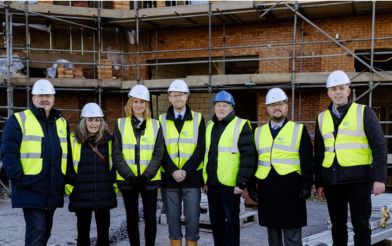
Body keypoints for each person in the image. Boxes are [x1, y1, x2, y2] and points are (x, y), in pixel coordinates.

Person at [314, 70, 388, 246]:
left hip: (358, 180)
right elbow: (319, 152)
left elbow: (379, 146)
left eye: (341, 88)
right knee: (337, 226)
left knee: (361, 226)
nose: (338, 92)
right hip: (332, 181)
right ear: (328, 93)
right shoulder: (322, 118)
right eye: (334, 89)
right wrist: (319, 182)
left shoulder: (364, 112)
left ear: (348, 90)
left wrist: (379, 178)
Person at [0, 79, 69, 246]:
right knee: (37, 229)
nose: (44, 99)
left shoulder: (61, 122)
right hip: (30, 186)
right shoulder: (19, 120)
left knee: (45, 230)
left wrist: (65, 180)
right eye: (40, 95)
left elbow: (68, 153)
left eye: (48, 95)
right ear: (33, 98)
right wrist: (19, 178)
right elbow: (8, 153)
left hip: (52, 187)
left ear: (53, 98)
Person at [254, 88, 313, 246]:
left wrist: (307, 185)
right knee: (273, 235)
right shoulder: (258, 132)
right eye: (272, 105)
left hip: (292, 189)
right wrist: (251, 185)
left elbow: (307, 160)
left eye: (280, 104)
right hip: (267, 189)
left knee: (292, 234)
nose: (276, 108)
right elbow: (255, 160)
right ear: (267, 109)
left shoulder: (298, 130)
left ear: (287, 107)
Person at [203, 90, 257, 246]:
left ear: (232, 107)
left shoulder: (241, 125)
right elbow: (207, 154)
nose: (221, 108)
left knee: (232, 223)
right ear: (214, 107)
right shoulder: (210, 125)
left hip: (231, 185)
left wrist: (241, 182)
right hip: (212, 184)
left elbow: (248, 156)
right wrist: (205, 180)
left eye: (225, 105)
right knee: (216, 222)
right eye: (218, 105)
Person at [113, 84, 164, 246]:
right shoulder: (120, 124)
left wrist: (145, 175)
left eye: (142, 102)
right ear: (130, 104)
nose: (138, 105)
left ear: (146, 105)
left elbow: (158, 153)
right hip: (128, 180)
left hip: (149, 180)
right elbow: (117, 153)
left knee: (150, 217)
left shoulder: (155, 125)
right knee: (132, 217)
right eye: (135, 102)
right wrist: (130, 176)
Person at [159, 79, 205, 246]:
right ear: (169, 98)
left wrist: (185, 170)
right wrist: (173, 170)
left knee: (193, 219)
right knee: (172, 219)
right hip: (169, 179)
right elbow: (160, 150)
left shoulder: (198, 119)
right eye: (174, 95)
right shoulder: (161, 120)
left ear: (187, 97)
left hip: (191, 178)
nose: (178, 98)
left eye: (181, 95)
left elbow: (200, 148)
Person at [66, 102, 117, 246]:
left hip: (103, 194)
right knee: (82, 236)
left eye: (97, 120)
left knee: (103, 237)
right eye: (90, 120)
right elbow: (69, 165)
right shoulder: (74, 140)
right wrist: (72, 186)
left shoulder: (109, 141)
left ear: (101, 122)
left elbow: (114, 166)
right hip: (82, 194)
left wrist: (112, 185)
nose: (94, 123)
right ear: (84, 121)